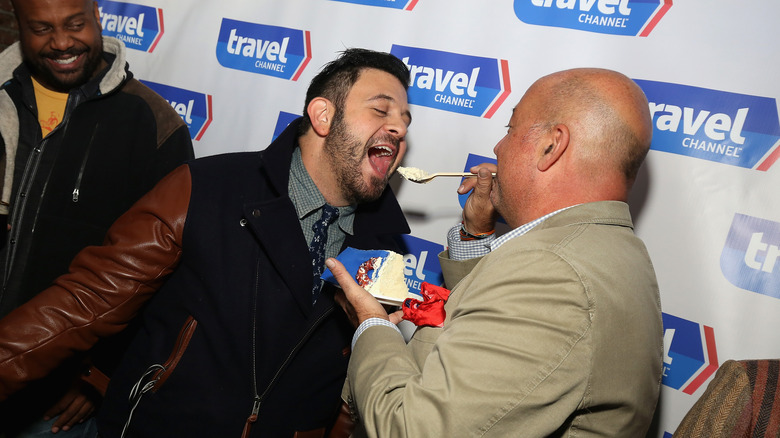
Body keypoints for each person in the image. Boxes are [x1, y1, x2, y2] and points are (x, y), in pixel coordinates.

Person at [0, 47, 412, 437]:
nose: (398, 128)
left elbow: (357, 392)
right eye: (381, 109)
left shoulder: (385, 251)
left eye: (405, 121)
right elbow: (82, 305)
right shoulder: (206, 188)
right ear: (323, 115)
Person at [327, 68, 664, 437]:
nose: (498, 148)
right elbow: (492, 332)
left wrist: (371, 325)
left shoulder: (555, 275)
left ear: (552, 145)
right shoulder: (607, 249)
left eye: (510, 129)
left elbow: (409, 429)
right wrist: (475, 236)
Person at [0, 0, 194, 435]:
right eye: (42, 28)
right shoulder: (2, 99)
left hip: (53, 400)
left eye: (75, 24)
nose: (63, 42)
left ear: (97, 18)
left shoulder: (154, 125)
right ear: (19, 26)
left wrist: (102, 374)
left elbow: (167, 276)